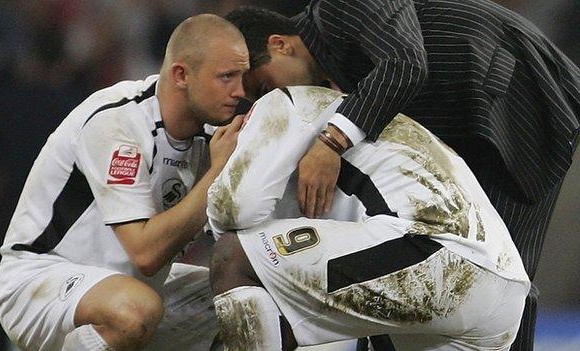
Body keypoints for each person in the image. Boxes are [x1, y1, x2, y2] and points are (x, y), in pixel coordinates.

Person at [224, 2, 580, 348]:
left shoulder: (336, 8)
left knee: (503, 269)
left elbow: (405, 62)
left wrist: (331, 143)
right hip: (472, 122)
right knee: (390, 253)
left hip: (517, 104)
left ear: (279, 44)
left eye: (262, 87)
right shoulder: (335, 80)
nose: (268, 97)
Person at [0, 14, 248, 351]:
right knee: (134, 311)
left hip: (132, 286)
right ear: (181, 75)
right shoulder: (117, 125)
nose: (240, 91)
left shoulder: (213, 131)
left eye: (243, 77)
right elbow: (145, 253)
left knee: (248, 300)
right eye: (227, 77)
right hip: (39, 280)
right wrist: (216, 174)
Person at [207, 85, 530, 350]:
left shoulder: (286, 101)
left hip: (438, 257)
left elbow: (234, 210)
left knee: (233, 257)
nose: (236, 88)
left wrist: (218, 171)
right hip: (502, 290)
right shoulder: (373, 115)